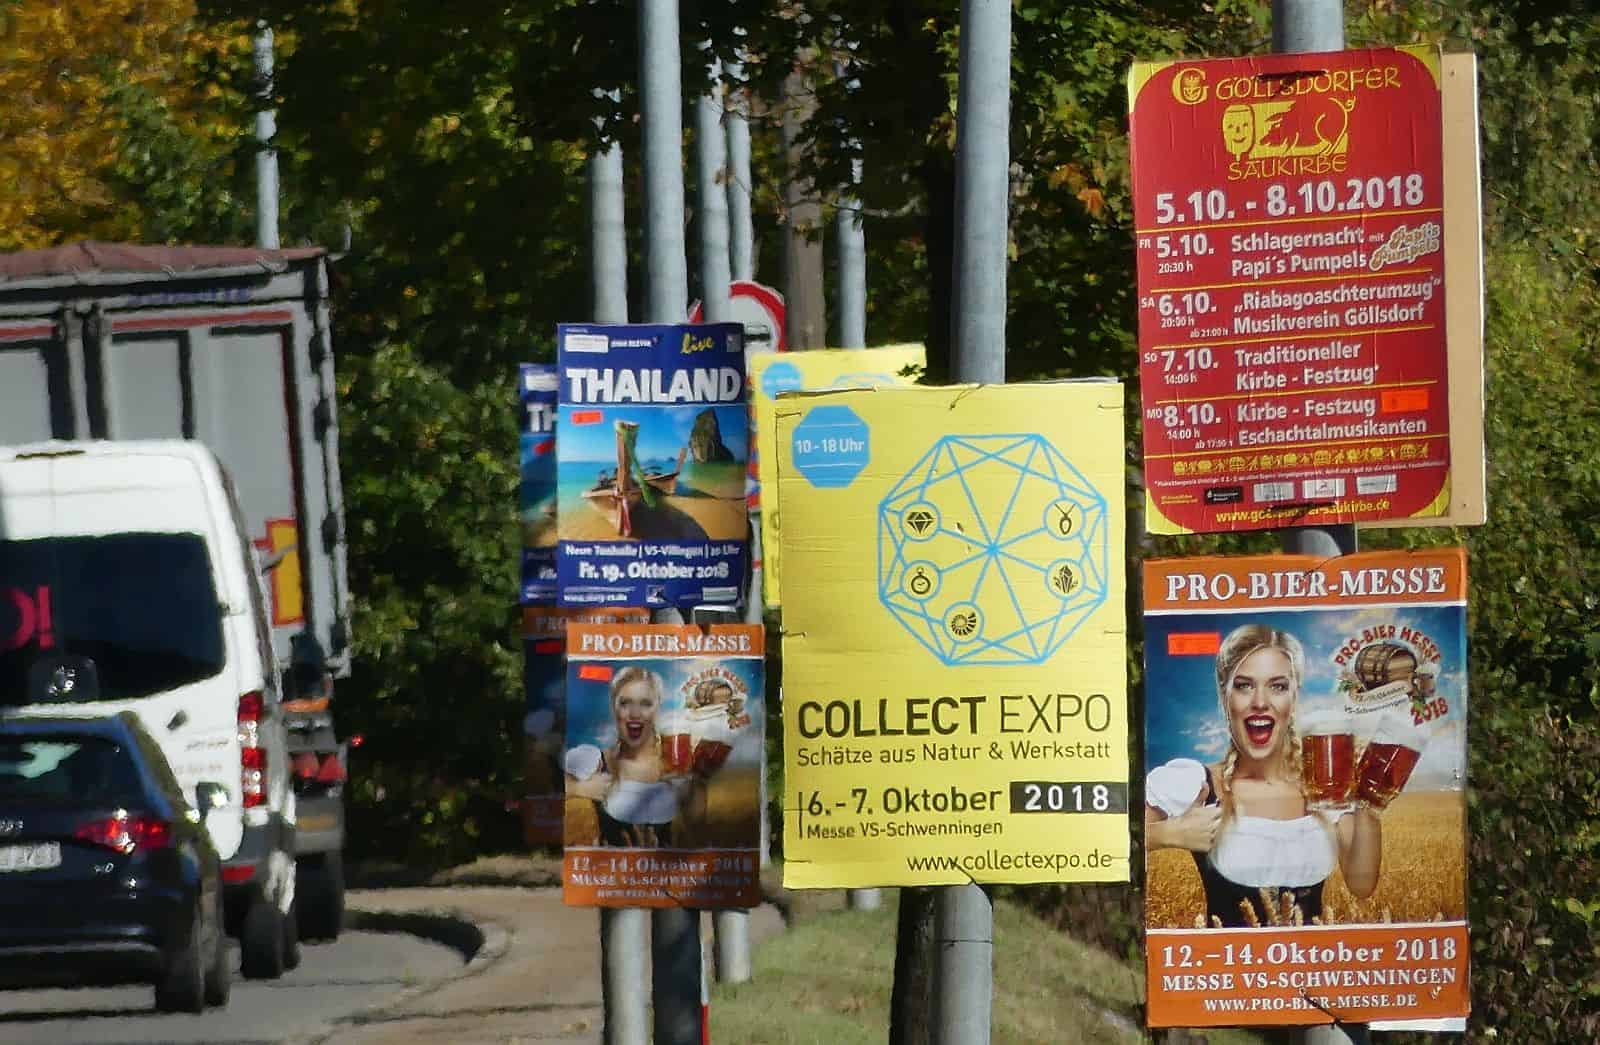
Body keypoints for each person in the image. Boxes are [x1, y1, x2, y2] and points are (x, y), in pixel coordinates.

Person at [1145, 624, 1382, 927]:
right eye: (1244, 686)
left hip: (1311, 959)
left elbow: (1362, 885)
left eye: (1278, 686)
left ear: (1294, 698)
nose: (1260, 701)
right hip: (1225, 959)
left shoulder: (1323, 787)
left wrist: (1369, 802)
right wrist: (1169, 833)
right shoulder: (1198, 783)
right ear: (1224, 697)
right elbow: (1107, 844)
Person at [565, 666, 704, 847]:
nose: (635, 714)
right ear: (613, 708)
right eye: (625, 703)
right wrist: (579, 788)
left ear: (658, 708)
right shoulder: (596, 761)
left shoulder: (676, 764)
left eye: (646, 704)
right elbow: (547, 784)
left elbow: (697, 839)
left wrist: (696, 789)